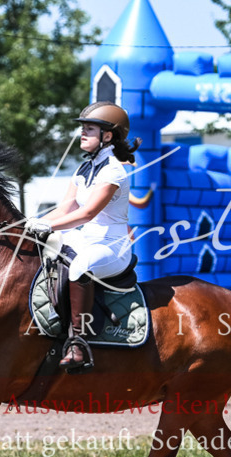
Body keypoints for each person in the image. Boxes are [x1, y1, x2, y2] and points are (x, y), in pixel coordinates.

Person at [24, 101, 140, 372]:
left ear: (107, 136)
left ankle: (78, 343)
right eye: (83, 129)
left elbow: (87, 213)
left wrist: (49, 228)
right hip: (86, 239)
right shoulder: (82, 169)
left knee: (79, 267)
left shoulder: (113, 172)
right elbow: (65, 209)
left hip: (112, 246)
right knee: (47, 254)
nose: (82, 134)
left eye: (89, 129)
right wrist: (31, 226)